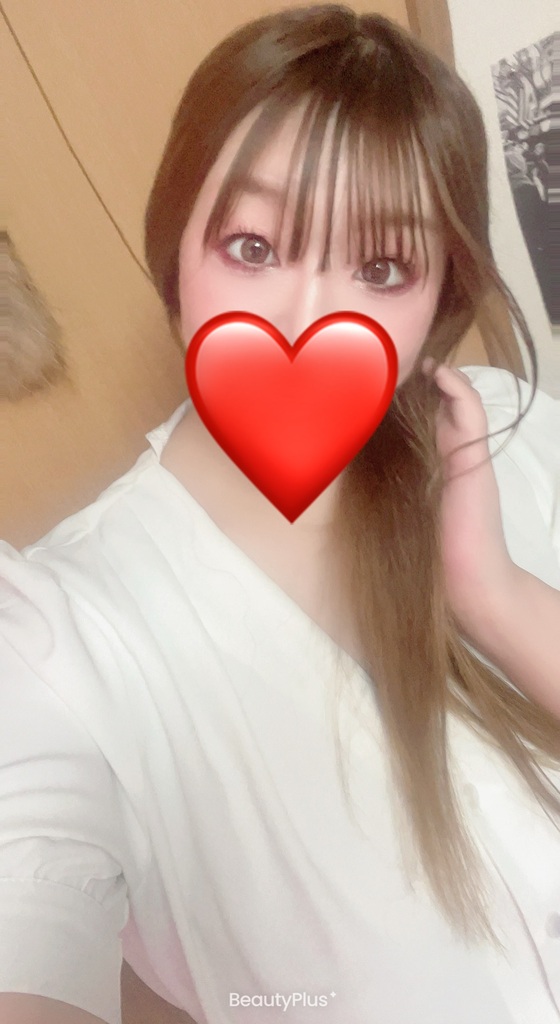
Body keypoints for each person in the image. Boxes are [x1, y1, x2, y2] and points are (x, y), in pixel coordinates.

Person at [1, 6, 559, 1024]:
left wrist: (499, 597)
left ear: (440, 298)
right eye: (252, 244)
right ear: (177, 252)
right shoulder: (60, 644)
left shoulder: (522, 441)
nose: (306, 316)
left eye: (382, 267)